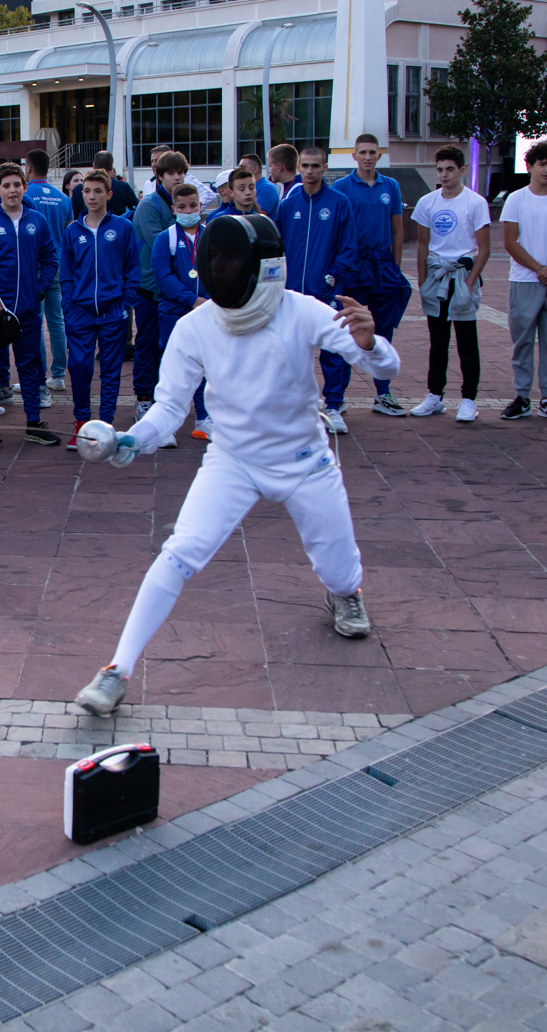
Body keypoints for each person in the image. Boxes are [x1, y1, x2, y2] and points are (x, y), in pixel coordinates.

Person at [71, 214, 389, 716]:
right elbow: (171, 407)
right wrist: (132, 439)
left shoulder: (303, 312)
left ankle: (345, 593)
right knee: (180, 551)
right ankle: (117, 669)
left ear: (263, 267)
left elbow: (379, 366)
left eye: (231, 260)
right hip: (233, 459)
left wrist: (371, 343)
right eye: (214, 258)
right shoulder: (196, 327)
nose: (221, 268)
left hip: (304, 460)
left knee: (338, 568)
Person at [0, 161, 60, 449]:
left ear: (25, 186)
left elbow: (51, 260)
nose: (12, 190)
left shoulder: (37, 221)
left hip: (28, 311)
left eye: (17, 184)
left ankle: (33, 423)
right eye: (6, 185)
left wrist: (38, 291)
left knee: (30, 366)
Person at [275, 144, 356, 433]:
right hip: (294, 293)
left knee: (332, 349)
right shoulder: (288, 205)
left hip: (326, 292)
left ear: (325, 168)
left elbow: (349, 246)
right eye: (305, 166)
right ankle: (296, 407)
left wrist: (332, 276)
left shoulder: (339, 202)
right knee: (293, 351)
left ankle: (334, 406)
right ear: (299, 168)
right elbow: (277, 247)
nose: (310, 171)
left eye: (315, 166)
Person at [331, 134, 412, 417]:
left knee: (383, 330)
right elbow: (337, 232)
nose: (367, 156)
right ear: (354, 156)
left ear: (380, 155)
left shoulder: (390, 186)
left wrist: (395, 266)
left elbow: (398, 230)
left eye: (373, 152)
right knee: (347, 330)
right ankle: (337, 397)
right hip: (354, 268)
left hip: (382, 266)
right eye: (362, 152)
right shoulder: (341, 187)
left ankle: (383, 394)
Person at [408, 145, 490, 423]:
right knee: (437, 341)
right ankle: (435, 396)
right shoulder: (427, 202)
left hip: (462, 274)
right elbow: (422, 245)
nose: (444, 175)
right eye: (440, 169)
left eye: (450, 169)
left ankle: (468, 399)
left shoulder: (475, 203)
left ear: (462, 170)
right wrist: (422, 281)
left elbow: (485, 248)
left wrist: (468, 282)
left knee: (467, 340)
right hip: (436, 275)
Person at [499, 143, 547, 423]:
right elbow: (510, 242)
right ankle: (522, 396)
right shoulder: (516, 199)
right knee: (522, 342)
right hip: (524, 280)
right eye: (542, 164)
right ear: (530, 166)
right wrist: (540, 269)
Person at [60, 170, 138, 452]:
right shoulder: (72, 231)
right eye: (87, 191)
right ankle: (81, 423)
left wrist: (124, 303)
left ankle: (105, 425)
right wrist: (68, 305)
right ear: (81, 195)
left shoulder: (123, 228)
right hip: (79, 312)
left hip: (112, 312)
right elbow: (66, 273)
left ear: (109, 194)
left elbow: (132, 269)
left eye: (97, 191)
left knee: (111, 369)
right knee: (79, 367)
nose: (92, 196)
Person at [151, 182, 212, 444]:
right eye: (182, 207)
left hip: (206, 312)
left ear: (200, 206)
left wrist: (207, 301)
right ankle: (166, 426)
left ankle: (204, 419)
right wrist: (192, 299)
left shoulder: (211, 236)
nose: (189, 210)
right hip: (174, 312)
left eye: (193, 205)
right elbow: (163, 277)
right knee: (172, 367)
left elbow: (219, 271)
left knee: (206, 365)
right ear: (174, 209)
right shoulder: (166, 239)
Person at [132, 151, 191, 413]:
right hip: (149, 288)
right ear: (159, 175)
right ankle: (144, 397)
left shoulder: (183, 203)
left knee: (172, 347)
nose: (177, 177)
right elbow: (163, 246)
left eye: (181, 172)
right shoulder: (150, 205)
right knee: (147, 343)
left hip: (175, 289)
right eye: (171, 173)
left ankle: (166, 396)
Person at [25, 148, 74, 395]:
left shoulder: (26, 195)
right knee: (57, 321)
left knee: (36, 322)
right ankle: (58, 375)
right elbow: (68, 234)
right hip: (57, 265)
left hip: (34, 267)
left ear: (28, 168)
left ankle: (40, 377)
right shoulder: (63, 198)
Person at [96, 151, 138, 217]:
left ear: (93, 165)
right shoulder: (123, 187)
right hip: (117, 226)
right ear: (111, 168)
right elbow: (138, 209)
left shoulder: (79, 189)